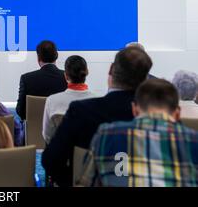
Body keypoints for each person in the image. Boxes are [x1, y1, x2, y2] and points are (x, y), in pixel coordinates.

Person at [42, 46, 152, 186]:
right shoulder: (156, 118)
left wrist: (75, 182)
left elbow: (51, 160)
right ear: (145, 78)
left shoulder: (81, 111)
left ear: (111, 69)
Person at [82, 79, 198, 187]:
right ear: (177, 113)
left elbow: (86, 182)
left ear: (134, 109)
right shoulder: (193, 140)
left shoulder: (106, 134)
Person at [42, 55, 96, 144]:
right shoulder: (97, 101)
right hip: (88, 155)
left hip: (61, 155)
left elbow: (47, 136)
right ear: (87, 72)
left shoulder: (52, 101)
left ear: (66, 76)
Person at [16, 40, 67, 120]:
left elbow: (20, 111)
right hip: (60, 131)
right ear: (56, 56)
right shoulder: (68, 77)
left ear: (38, 57)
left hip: (34, 131)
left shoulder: (26, 79)